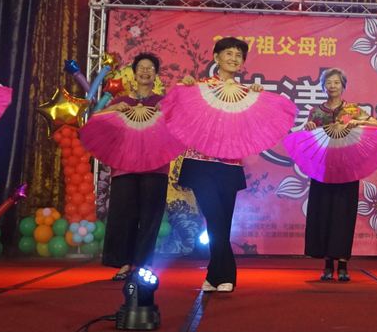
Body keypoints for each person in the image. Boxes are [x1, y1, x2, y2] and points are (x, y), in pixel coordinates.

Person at [177, 37, 263, 293]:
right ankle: (227, 275)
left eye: (238, 55)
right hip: (200, 162)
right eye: (228, 53)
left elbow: (251, 126)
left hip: (229, 164)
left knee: (223, 221)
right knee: (214, 216)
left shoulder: (245, 94)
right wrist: (185, 87)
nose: (233, 59)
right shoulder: (200, 87)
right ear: (216, 58)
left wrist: (256, 99)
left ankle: (215, 276)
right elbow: (180, 107)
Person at [301, 68, 377, 282]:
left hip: (347, 169)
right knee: (324, 214)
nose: (333, 86)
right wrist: (308, 128)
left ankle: (343, 264)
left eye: (336, 82)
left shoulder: (352, 109)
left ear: (343, 86)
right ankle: (327, 264)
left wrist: (359, 122)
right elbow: (310, 140)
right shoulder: (316, 112)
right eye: (329, 82)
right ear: (323, 86)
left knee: (344, 216)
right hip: (323, 169)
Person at [98, 53, 170, 281]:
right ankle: (124, 262)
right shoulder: (121, 102)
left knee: (150, 217)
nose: (145, 71)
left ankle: (143, 263)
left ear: (156, 74)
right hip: (125, 167)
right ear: (134, 73)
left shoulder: (162, 102)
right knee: (123, 215)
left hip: (155, 167)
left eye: (150, 68)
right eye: (141, 67)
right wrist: (114, 110)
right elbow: (97, 120)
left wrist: (165, 112)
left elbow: (179, 124)